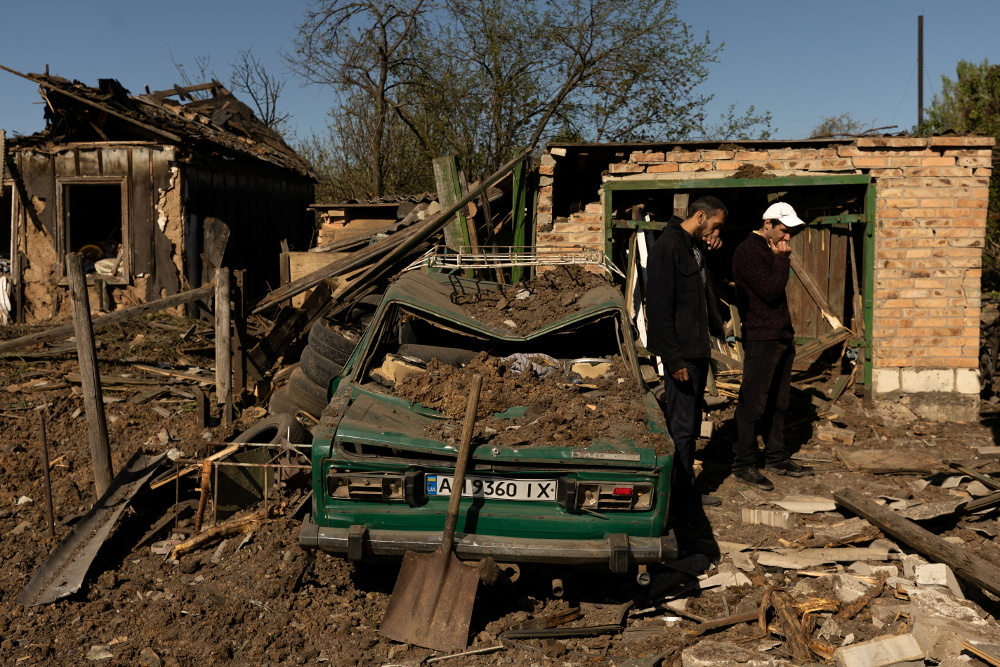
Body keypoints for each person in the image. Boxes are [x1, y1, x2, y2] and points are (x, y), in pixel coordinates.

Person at [645, 196, 727, 508]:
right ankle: (678, 499)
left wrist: (713, 249)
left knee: (690, 424)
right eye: (715, 224)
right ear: (701, 216)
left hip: (695, 349)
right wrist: (673, 358)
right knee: (681, 426)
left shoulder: (693, 246)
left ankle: (683, 491)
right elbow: (659, 308)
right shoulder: (669, 246)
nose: (716, 230)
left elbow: (705, 290)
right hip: (682, 355)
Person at [730, 202, 814, 490]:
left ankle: (776, 458)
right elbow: (770, 291)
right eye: (783, 230)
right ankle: (743, 463)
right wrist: (782, 261)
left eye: (790, 232)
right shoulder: (749, 251)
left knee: (779, 402)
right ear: (768, 223)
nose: (787, 237)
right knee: (753, 401)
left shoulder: (768, 249)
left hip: (779, 334)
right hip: (761, 335)